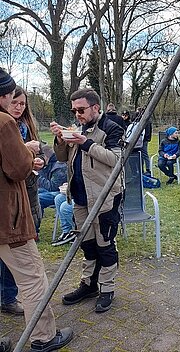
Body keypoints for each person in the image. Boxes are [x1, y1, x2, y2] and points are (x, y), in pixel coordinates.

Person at [0, 68, 73, 351]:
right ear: (5, 94)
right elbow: (18, 168)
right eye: (11, 96)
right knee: (32, 278)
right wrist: (29, 152)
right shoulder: (4, 122)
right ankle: (43, 336)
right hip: (8, 217)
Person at [50, 88, 124, 313]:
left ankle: (107, 289)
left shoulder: (112, 128)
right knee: (87, 244)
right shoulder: (78, 129)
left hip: (105, 198)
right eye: (74, 111)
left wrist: (86, 143)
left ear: (95, 107)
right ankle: (88, 284)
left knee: (105, 244)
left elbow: (116, 161)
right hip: (80, 197)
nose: (77, 115)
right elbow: (63, 158)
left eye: (81, 110)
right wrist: (60, 139)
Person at [7, 85, 45, 237]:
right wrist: (25, 149)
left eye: (22, 104)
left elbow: (40, 151)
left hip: (30, 187)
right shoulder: (4, 127)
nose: (18, 107)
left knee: (31, 233)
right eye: (14, 102)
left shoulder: (27, 126)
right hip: (10, 190)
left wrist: (40, 160)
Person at [38, 145, 67, 215]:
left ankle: (35, 223)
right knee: (31, 193)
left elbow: (52, 187)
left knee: (37, 198)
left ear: (45, 157)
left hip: (60, 192)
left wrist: (36, 175)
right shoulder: (48, 164)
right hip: (51, 190)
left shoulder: (60, 167)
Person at [134, 107, 152, 175]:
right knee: (142, 155)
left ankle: (148, 169)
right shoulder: (146, 120)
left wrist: (145, 139)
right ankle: (142, 169)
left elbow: (147, 131)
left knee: (144, 154)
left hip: (143, 140)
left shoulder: (145, 121)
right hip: (144, 139)